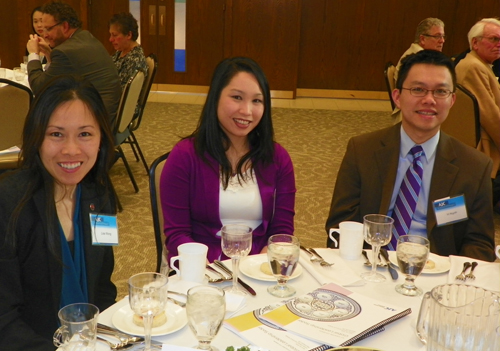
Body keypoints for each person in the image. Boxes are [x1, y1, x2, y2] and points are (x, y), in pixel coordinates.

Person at [325, 50, 496, 262]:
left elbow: (479, 243)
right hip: (372, 265)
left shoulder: (474, 166)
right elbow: (341, 224)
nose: (429, 100)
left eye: (440, 92)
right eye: (418, 89)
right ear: (397, 97)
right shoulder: (362, 150)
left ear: (452, 100)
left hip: (436, 272)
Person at [0, 75, 117, 350]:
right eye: (56, 134)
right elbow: (3, 319)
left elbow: (103, 289)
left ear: (101, 138)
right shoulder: (9, 204)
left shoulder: (99, 197)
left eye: (85, 134)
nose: (71, 150)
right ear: (36, 137)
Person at [160, 57, 296, 263]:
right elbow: (177, 233)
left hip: (258, 265)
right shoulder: (185, 156)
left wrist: (261, 265)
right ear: (215, 97)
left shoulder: (277, 158)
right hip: (201, 265)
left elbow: (282, 231)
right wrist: (202, 268)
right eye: (237, 97)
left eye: (257, 100)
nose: (247, 111)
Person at [26, 1, 122, 129]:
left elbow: (39, 88)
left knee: (37, 118)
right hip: (109, 112)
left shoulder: (66, 51)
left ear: (65, 26)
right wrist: (50, 54)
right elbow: (61, 72)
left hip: (98, 120)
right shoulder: (84, 37)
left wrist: (33, 54)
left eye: (49, 29)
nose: (45, 35)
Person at [455, 18, 500, 204]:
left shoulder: (480, 64)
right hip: (482, 145)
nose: (499, 45)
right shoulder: (473, 67)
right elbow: (491, 118)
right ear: (475, 42)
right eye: (494, 39)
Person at [392, 18, 445, 123]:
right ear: (422, 39)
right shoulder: (417, 61)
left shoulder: (420, 55)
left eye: (443, 36)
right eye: (437, 36)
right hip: (413, 114)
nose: (442, 41)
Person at [109, 12, 148, 88]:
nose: (110, 39)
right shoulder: (121, 51)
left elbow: (119, 91)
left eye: (115, 35)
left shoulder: (134, 60)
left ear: (129, 35)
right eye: (110, 35)